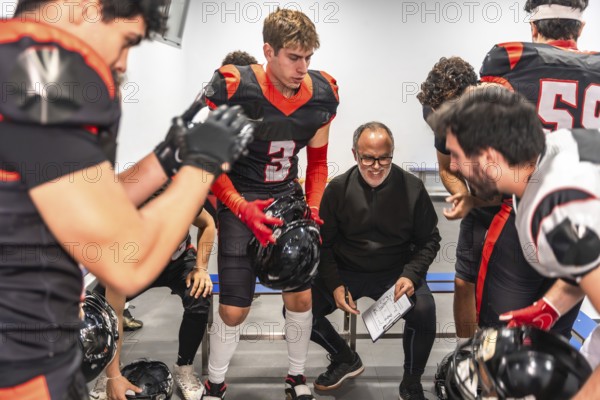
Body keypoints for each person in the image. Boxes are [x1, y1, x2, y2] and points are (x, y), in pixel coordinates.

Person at [0, 1, 251, 399]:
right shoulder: (44, 71)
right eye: (126, 41)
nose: (122, 64)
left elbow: (97, 198)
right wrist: (202, 165)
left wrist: (168, 156)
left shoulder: (17, 61)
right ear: (86, 8)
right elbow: (123, 260)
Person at [200, 8, 339, 400]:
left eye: (308, 58)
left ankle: (297, 376)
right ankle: (215, 381)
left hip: (285, 199)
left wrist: (312, 208)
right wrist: (239, 207)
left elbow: (318, 162)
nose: (303, 67)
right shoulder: (234, 87)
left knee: (300, 296)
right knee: (234, 309)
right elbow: (211, 161)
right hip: (240, 200)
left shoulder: (323, 93)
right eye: (294, 57)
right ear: (268, 51)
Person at [432, 88, 600, 400]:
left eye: (456, 154)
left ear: (489, 158)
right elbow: (588, 262)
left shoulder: (553, 210)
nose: (452, 166)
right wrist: (548, 308)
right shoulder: (551, 152)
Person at [418, 57, 580, 339]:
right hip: (481, 208)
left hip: (519, 211)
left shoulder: (509, 117)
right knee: (463, 282)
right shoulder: (437, 110)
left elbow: (521, 186)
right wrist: (463, 195)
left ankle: (512, 362)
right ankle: (466, 356)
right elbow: (447, 167)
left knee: (508, 300)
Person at [311, 122, 440, 400]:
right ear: (355, 154)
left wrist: (411, 275)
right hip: (347, 272)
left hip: (396, 273)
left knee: (425, 310)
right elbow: (324, 244)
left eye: (384, 157)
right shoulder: (337, 190)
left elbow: (430, 240)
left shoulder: (413, 188)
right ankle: (344, 357)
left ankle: (411, 381)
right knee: (297, 312)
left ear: (392, 154)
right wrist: (334, 284)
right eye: (368, 158)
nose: (376, 166)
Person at [89, 203, 215, 400]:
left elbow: (208, 223)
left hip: (178, 264)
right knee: (99, 310)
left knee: (199, 294)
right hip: (136, 268)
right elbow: (114, 313)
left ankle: (185, 367)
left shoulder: (183, 200)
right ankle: (108, 372)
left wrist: (201, 268)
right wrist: (112, 374)